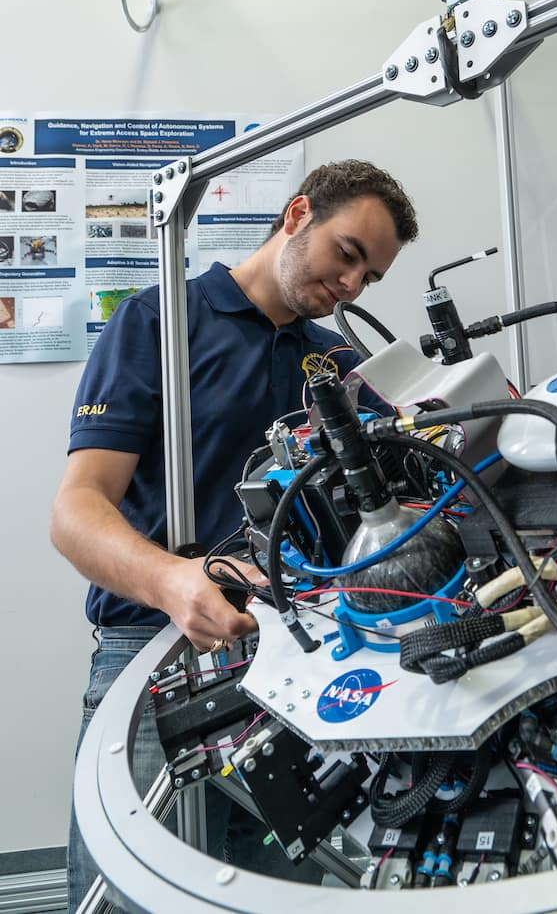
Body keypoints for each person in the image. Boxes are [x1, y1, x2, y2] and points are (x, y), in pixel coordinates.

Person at [51, 159, 419, 911]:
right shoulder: (161, 321)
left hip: (289, 659)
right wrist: (171, 580)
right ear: (295, 216)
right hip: (151, 656)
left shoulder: (340, 364)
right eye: (347, 254)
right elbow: (75, 509)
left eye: (370, 277)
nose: (352, 285)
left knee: (272, 892)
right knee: (125, 893)